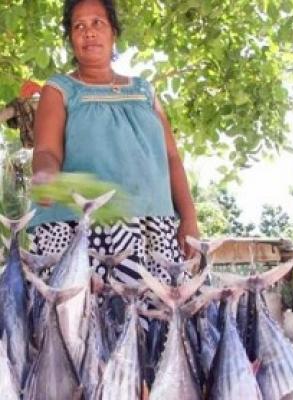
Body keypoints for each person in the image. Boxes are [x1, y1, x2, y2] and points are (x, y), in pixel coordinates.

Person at [29, 0, 199, 286]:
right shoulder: (59, 89)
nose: (89, 32)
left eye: (97, 23)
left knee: (151, 324)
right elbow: (46, 150)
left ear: (113, 33)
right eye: (78, 26)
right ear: (71, 38)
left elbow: (171, 157)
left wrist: (189, 218)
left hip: (151, 228)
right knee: (80, 326)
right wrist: (46, 176)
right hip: (79, 228)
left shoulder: (144, 91)